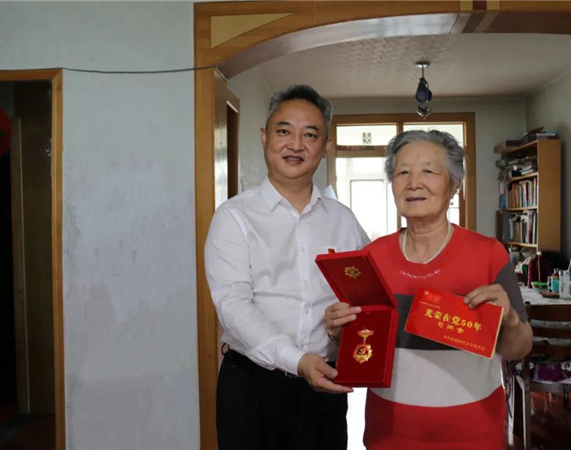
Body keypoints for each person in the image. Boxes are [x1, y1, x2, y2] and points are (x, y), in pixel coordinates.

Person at [325, 130, 533, 449]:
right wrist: (338, 331)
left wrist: (511, 321)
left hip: (473, 433)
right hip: (390, 435)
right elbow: (361, 343)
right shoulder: (372, 257)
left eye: (429, 171)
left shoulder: (489, 254)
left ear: (454, 184)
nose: (414, 182)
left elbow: (519, 348)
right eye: (402, 172)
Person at [204, 84, 369, 450]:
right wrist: (297, 361)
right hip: (252, 387)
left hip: (323, 388)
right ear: (265, 137)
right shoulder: (234, 216)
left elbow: (367, 300)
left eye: (310, 135)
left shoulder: (344, 221)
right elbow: (233, 306)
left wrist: (340, 334)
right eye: (284, 131)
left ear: (326, 147)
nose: (296, 145)